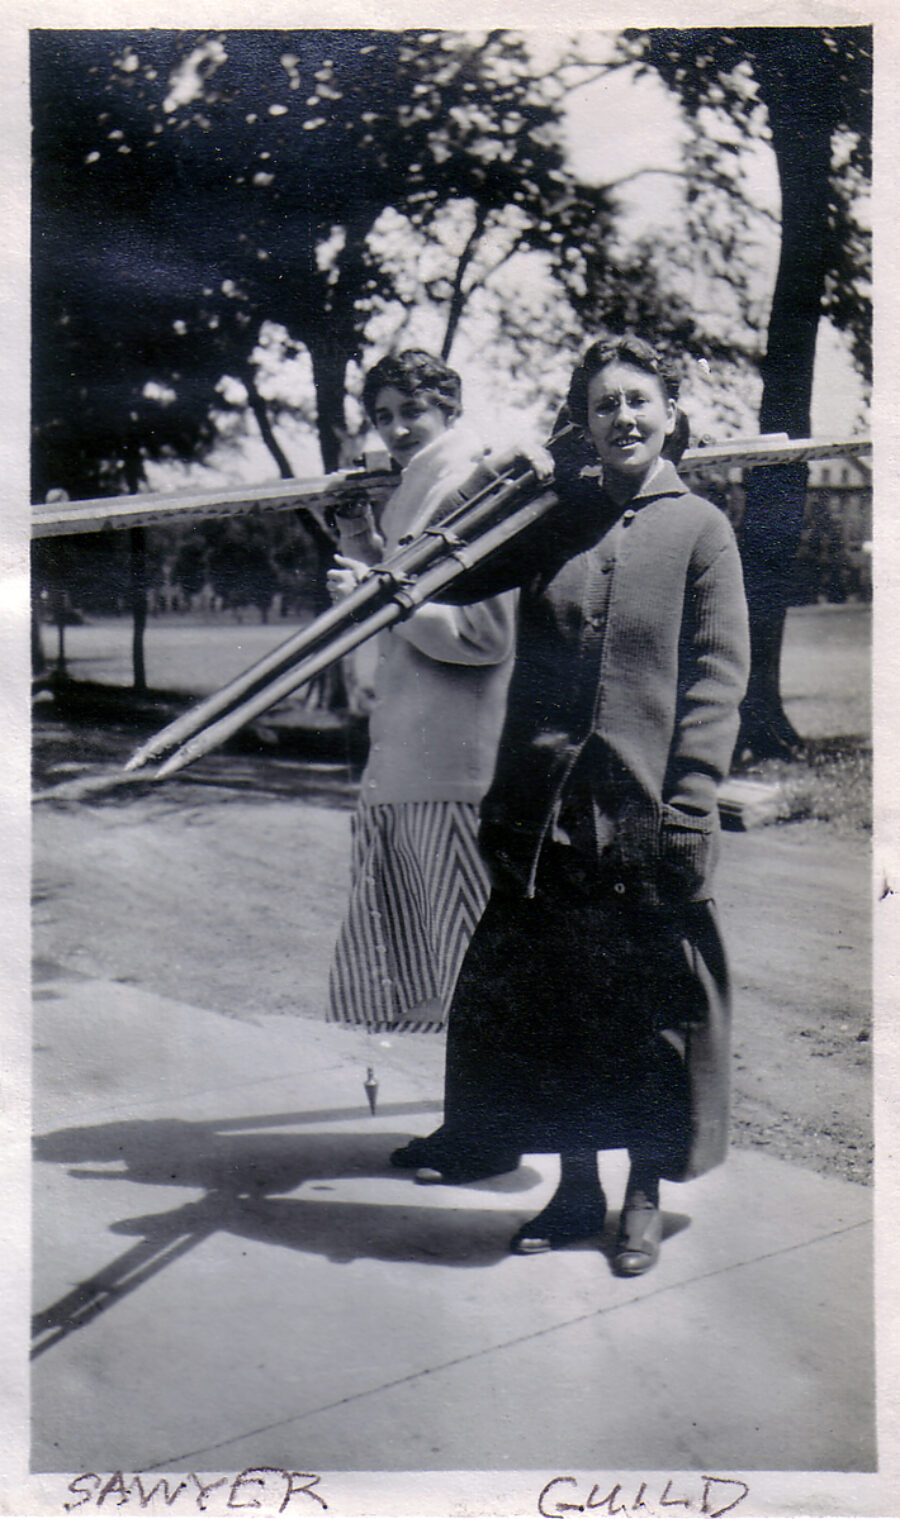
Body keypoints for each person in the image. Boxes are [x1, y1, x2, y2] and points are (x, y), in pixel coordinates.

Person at [394, 335, 751, 1277]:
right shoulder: (559, 517)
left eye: (639, 400)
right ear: (581, 423)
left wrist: (692, 802)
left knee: (644, 1018)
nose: (623, 418)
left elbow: (719, 675)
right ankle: (578, 1187)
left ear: (670, 411)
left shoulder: (700, 529)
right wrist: (532, 481)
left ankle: (641, 1195)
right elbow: (456, 572)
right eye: (603, 405)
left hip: (646, 822)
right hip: (544, 818)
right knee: (557, 1011)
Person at [325, 349, 548, 1036]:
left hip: (453, 763)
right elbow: (402, 593)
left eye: (412, 410)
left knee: (472, 962)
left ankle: (490, 1126)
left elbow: (484, 634)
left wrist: (372, 596)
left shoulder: (471, 481)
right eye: (382, 416)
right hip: (410, 759)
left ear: (449, 406)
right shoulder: (414, 487)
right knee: (438, 966)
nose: (396, 428)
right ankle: (471, 1124)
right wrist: (360, 539)